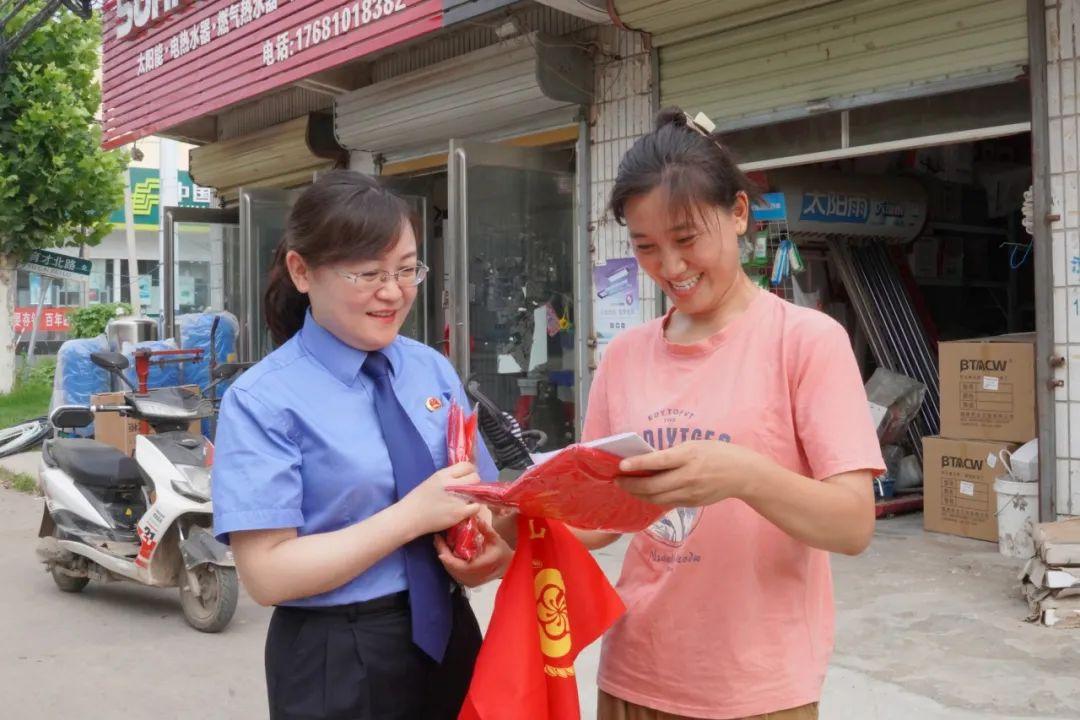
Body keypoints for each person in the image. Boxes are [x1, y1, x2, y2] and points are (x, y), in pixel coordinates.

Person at [578, 109, 885, 720]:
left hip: (757, 688)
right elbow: (600, 515)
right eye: (645, 247)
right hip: (635, 671)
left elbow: (853, 525)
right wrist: (512, 528)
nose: (669, 267)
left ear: (739, 213)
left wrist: (742, 476)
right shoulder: (624, 357)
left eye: (687, 239)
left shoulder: (805, 342)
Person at [211, 170, 511, 720]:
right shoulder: (263, 399)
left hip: (448, 630)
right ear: (302, 271)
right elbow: (267, 575)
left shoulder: (431, 369)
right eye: (369, 273)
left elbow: (481, 498)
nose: (393, 292)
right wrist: (411, 517)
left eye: (406, 269)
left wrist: (489, 552)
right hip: (336, 655)